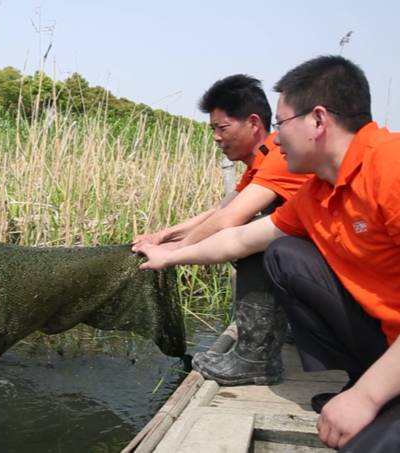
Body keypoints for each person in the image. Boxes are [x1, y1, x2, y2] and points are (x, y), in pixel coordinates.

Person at [134, 55, 400, 451]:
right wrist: (167, 254)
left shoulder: (390, 167)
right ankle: (368, 380)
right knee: (284, 254)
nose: (275, 139)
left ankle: (374, 392)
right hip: (384, 334)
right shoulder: (317, 191)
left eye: (281, 124)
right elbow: (239, 238)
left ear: (318, 120)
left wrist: (366, 399)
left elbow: (229, 221)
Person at [133, 74, 311, 385]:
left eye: (222, 127)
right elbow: (219, 210)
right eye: (213, 129)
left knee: (261, 244)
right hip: (316, 261)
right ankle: (293, 328)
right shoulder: (264, 159)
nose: (216, 137)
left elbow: (231, 221)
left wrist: (173, 252)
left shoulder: (278, 159)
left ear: (253, 123)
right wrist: (164, 236)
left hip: (334, 267)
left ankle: (255, 359)